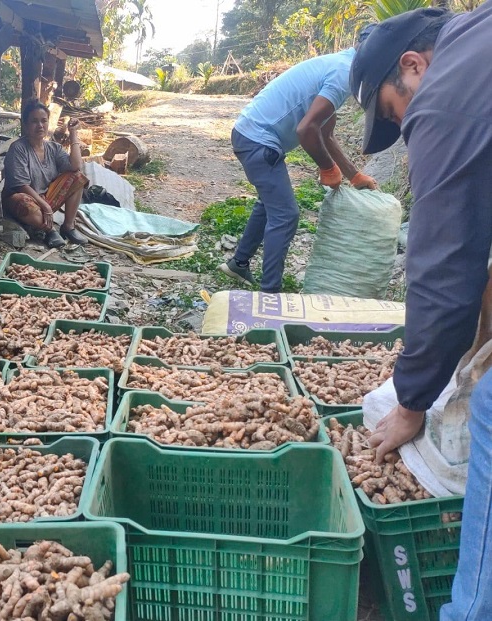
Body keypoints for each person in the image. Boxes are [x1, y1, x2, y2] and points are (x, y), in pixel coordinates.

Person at [349, 6, 492, 619]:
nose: (405, 128)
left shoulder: (445, 93)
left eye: (391, 111)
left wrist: (411, 404)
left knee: (488, 406)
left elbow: (443, 266)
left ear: (414, 66)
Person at [218, 28, 378, 293]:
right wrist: (327, 167)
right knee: (287, 214)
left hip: (252, 134)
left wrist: (354, 175)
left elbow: (325, 132)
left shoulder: (339, 65)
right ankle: (270, 292)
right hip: (258, 140)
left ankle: (238, 263)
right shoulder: (342, 74)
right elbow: (307, 130)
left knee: (270, 204)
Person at [3, 99, 90, 248]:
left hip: (46, 198)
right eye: (34, 121)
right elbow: (21, 186)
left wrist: (73, 133)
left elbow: (75, 166)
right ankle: (49, 231)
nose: (40, 125)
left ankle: (68, 227)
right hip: (22, 198)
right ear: (25, 124)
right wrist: (46, 207)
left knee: (78, 177)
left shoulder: (53, 148)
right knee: (26, 205)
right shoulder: (18, 148)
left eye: (44, 121)